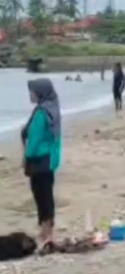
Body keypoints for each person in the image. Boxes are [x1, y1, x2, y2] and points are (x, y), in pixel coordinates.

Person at [22, 78, 62, 248]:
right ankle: (48, 230)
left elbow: (34, 141)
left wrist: (26, 159)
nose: (30, 94)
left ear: (40, 92)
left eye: (32, 91)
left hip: (39, 160)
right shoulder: (51, 107)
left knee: (41, 196)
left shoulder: (41, 113)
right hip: (50, 159)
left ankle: (47, 233)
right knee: (47, 194)